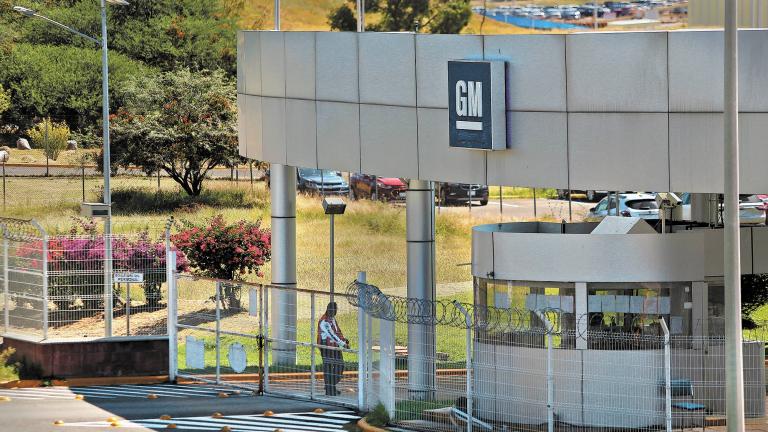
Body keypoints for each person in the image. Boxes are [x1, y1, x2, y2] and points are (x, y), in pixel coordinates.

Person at [317, 302, 349, 396]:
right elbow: (332, 335)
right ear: (328, 309)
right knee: (329, 368)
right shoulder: (324, 321)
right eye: (332, 310)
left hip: (335, 346)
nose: (334, 312)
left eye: (335, 310)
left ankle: (330, 386)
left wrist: (343, 339)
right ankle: (330, 389)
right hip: (326, 347)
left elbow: (337, 331)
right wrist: (343, 344)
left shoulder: (333, 319)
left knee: (340, 366)